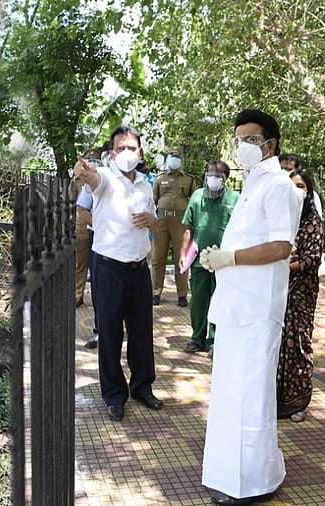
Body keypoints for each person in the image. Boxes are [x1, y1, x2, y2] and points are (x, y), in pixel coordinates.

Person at [200, 109, 302, 505]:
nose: (242, 146)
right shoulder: (251, 186)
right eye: (238, 138)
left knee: (251, 397)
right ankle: (233, 475)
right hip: (236, 308)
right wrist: (220, 257)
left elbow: (281, 246)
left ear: (270, 145)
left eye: (250, 139)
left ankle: (254, 485)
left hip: (258, 310)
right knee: (229, 394)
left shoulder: (279, 186)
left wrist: (231, 258)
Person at [73, 125, 162, 422]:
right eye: (121, 148)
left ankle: (142, 387)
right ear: (111, 153)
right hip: (109, 267)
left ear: (140, 152)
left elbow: (155, 223)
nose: (127, 153)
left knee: (141, 332)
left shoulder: (145, 185)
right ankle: (114, 394)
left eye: (132, 148)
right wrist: (85, 173)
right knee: (109, 333)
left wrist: (151, 220)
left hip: (139, 269)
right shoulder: (106, 179)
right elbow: (93, 180)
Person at [276, 170, 323, 422]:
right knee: (279, 344)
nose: (296, 191)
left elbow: (312, 259)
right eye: (292, 186)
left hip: (301, 294)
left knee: (298, 344)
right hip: (278, 290)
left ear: (308, 191)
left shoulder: (312, 223)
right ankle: (278, 400)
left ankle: (299, 402)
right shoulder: (282, 218)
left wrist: (285, 264)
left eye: (301, 186)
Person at [179, 161, 239, 357]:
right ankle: (197, 338)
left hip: (224, 261)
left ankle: (215, 341)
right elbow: (188, 227)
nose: (213, 177)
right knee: (198, 300)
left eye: (218, 174)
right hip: (199, 260)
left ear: (225, 177)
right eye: (210, 173)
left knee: (220, 300)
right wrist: (182, 252)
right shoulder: (197, 196)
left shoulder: (234, 198)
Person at [151, 146, 196, 306]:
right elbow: (153, 200)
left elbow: (194, 200)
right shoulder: (159, 178)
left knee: (181, 259)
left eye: (177, 156)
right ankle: (155, 292)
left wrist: (192, 223)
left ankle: (182, 294)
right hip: (161, 220)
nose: (174, 158)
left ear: (182, 159)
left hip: (181, 222)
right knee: (157, 258)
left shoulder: (189, 179)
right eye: (172, 155)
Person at [71, 148, 102, 307]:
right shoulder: (76, 181)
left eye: (95, 159)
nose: (92, 162)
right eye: (90, 159)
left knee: (98, 262)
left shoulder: (103, 176)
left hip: (101, 224)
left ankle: (99, 295)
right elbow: (71, 203)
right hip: (81, 224)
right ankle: (78, 293)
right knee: (80, 261)